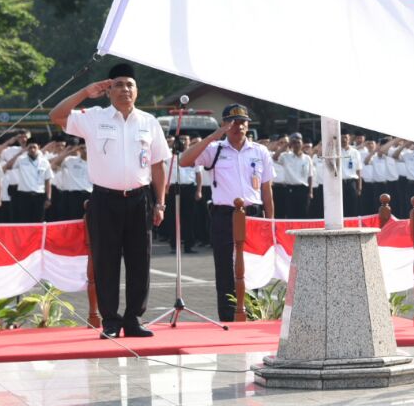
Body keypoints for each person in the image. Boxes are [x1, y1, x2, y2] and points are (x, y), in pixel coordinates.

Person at [51, 63, 169, 339]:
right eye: (118, 84)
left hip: (140, 199)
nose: (124, 89)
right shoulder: (94, 117)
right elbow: (56, 115)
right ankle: (111, 321)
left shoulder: (149, 122)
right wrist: (84, 92)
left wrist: (160, 202)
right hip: (104, 199)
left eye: (129, 84)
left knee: (140, 261)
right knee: (106, 262)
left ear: (137, 91)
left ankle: (133, 319)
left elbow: (158, 165)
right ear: (108, 90)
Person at [180, 104, 274, 322]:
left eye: (242, 122)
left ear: (248, 124)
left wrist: (270, 221)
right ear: (224, 124)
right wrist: (215, 135)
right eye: (232, 122)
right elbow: (185, 160)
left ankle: (252, 314)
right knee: (224, 268)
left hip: (253, 215)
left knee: (252, 268)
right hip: (225, 215)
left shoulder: (260, 152)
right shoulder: (215, 149)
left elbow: (267, 190)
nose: (237, 126)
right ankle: (228, 318)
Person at [3, 142, 53, 222]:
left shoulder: (44, 162)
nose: (32, 150)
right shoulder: (21, 159)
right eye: (30, 147)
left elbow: (48, 181)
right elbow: (7, 167)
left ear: (38, 148)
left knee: (38, 220)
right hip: (24, 196)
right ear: (27, 149)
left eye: (34, 147)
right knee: (24, 220)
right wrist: (20, 153)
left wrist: (48, 198)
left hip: (39, 195)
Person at [51, 142, 92, 221]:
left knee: (86, 220)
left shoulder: (95, 162)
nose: (85, 150)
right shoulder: (70, 160)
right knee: (71, 219)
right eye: (82, 148)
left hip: (88, 195)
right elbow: (54, 165)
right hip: (72, 195)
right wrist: (70, 151)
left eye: (86, 147)